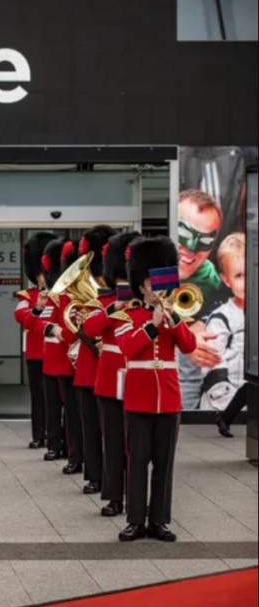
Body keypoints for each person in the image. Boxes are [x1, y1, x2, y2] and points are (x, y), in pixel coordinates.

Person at [116, 236, 197, 543]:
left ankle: (159, 521)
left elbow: (189, 346)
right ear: (140, 286)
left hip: (169, 401)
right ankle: (135, 521)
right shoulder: (130, 316)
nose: (156, 289)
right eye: (150, 283)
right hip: (138, 400)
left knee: (164, 465)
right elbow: (127, 347)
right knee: (137, 463)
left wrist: (174, 321)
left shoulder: (175, 315)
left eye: (159, 283)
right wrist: (151, 324)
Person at [82, 231, 142, 517]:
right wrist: (111, 309)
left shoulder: (149, 305)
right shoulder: (104, 301)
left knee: (137, 445)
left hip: (138, 380)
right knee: (114, 441)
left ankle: (136, 496)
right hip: (109, 380)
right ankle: (115, 496)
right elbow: (89, 329)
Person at [57, 226, 116, 495]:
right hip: (89, 368)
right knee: (90, 427)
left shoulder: (119, 299)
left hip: (113, 370)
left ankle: (113, 478)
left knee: (112, 432)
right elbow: (75, 330)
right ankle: (94, 474)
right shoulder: (84, 298)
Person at [30, 239, 77, 470]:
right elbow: (37, 324)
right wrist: (40, 310)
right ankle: (54, 444)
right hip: (51, 358)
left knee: (70, 409)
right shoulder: (50, 296)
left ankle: (70, 449)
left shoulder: (69, 297)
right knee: (51, 407)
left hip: (67, 359)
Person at [176, 189, 226, 408]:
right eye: (184, 233)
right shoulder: (146, 268)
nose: (191, 249)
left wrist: (202, 321)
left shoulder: (215, 281)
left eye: (204, 241)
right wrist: (186, 335)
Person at [14, 232, 56, 448]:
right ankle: (39, 434)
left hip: (56, 354)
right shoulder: (26, 296)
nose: (42, 277)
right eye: (40, 273)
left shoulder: (62, 295)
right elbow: (22, 318)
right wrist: (38, 307)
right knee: (39, 398)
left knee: (56, 400)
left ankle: (55, 435)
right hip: (36, 353)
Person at [200, 233, 245, 412]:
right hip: (221, 408)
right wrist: (232, 407)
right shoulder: (222, 318)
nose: (247, 280)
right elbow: (212, 367)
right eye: (239, 275)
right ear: (226, 280)